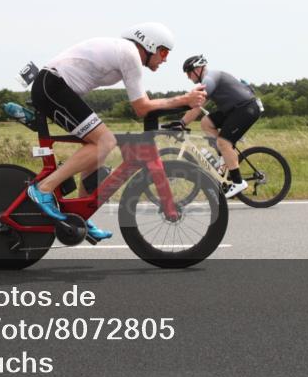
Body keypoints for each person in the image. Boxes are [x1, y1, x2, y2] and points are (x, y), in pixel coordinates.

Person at [27, 23, 207, 241]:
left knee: (98, 146)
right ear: (148, 45)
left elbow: (144, 104)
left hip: (55, 87)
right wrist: (184, 100)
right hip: (53, 87)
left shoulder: (124, 52)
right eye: (163, 52)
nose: (165, 59)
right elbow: (142, 108)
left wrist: (182, 102)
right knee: (104, 142)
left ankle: (79, 215)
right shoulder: (130, 54)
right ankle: (43, 189)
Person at [178, 55, 262, 198]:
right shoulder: (209, 79)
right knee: (206, 122)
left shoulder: (210, 78)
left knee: (223, 142)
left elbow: (197, 107)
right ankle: (224, 159)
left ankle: (238, 182)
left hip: (246, 109)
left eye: (189, 72)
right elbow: (195, 106)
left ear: (198, 69)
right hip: (234, 110)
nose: (188, 77)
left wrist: (181, 123)